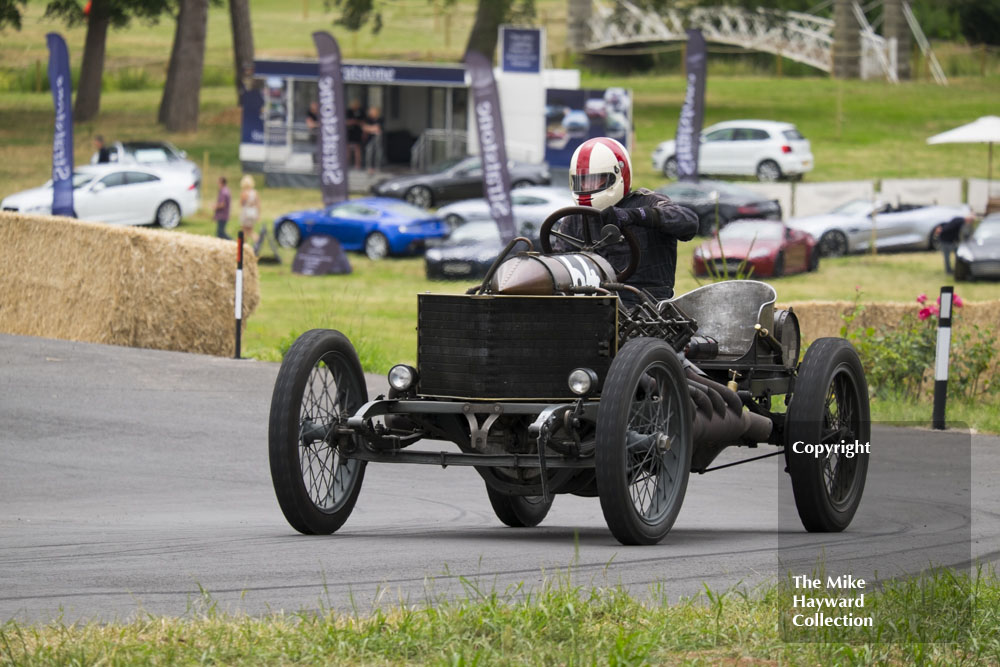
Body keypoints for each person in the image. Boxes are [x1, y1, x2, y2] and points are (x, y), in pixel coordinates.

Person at [563, 137, 698, 306]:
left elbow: (689, 223)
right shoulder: (574, 219)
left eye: (596, 180)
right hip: (593, 305)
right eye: (582, 181)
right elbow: (560, 265)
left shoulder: (649, 202)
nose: (587, 187)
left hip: (648, 307)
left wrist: (634, 216)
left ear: (619, 174)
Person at [362, 105, 384, 175]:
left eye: (373, 112)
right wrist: (372, 129)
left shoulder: (380, 119)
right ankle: (369, 167)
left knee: (378, 152)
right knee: (369, 151)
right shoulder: (368, 119)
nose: (371, 113)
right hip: (370, 138)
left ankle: (377, 167)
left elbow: (377, 128)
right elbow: (364, 128)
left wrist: (369, 128)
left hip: (378, 138)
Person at [239, 174, 261, 244]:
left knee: (245, 230)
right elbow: (258, 204)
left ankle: (245, 244)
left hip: (246, 213)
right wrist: (258, 215)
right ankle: (252, 241)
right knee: (250, 230)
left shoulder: (244, 193)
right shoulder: (255, 192)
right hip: (253, 213)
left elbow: (241, 204)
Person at [346, 98, 364, 169]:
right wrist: (352, 122)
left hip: (357, 132)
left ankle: (357, 165)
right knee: (347, 149)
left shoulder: (361, 112)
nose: (354, 106)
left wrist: (355, 122)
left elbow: (362, 122)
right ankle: (347, 164)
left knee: (357, 149)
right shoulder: (348, 112)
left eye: (356, 105)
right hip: (349, 132)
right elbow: (346, 122)